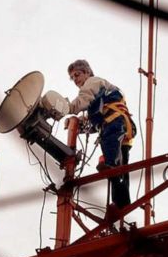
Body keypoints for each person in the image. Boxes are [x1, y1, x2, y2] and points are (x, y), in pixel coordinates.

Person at [42, 59, 136, 212]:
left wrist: (66, 107)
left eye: (77, 75)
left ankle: (111, 167)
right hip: (121, 126)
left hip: (114, 124)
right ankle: (122, 201)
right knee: (122, 167)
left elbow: (83, 100)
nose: (75, 80)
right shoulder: (99, 93)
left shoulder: (92, 82)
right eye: (72, 78)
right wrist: (79, 123)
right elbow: (94, 118)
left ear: (87, 72)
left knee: (111, 156)